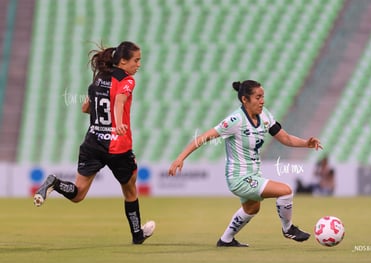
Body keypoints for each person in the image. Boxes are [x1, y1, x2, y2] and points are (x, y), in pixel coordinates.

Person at [168, 80, 322, 247]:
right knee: (285, 191)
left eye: (263, 96)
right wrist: (180, 158)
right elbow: (205, 137)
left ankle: (226, 240)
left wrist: (306, 143)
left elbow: (285, 138)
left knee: (252, 208)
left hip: (253, 175)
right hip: (239, 178)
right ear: (245, 100)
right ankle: (288, 229)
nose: (262, 101)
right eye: (258, 97)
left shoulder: (265, 116)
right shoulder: (235, 120)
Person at [34, 41, 155, 245]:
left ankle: (55, 182)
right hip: (117, 146)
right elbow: (119, 101)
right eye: (136, 60)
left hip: (92, 142)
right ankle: (137, 235)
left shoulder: (99, 79)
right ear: (123, 61)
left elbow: (85, 108)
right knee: (130, 190)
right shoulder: (127, 80)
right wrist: (116, 124)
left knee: (78, 195)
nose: (138, 64)